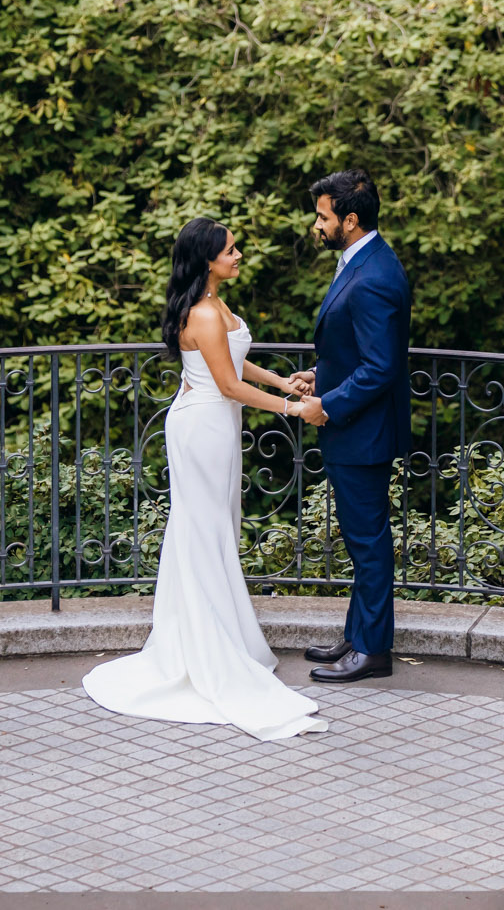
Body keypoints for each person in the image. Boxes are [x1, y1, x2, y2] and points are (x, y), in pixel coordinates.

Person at [81, 217, 328, 739]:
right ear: (207, 261)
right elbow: (227, 385)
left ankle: (223, 635)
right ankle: (200, 646)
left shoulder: (217, 306)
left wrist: (282, 378)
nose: (239, 255)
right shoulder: (203, 313)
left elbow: (237, 363)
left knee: (215, 527)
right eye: (231, 250)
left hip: (214, 423)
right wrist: (294, 408)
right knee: (200, 528)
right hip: (204, 426)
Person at [287, 169, 413, 684]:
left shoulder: (377, 275)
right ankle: (356, 635)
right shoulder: (361, 262)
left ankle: (372, 650)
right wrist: (321, 374)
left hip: (362, 432)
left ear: (350, 219)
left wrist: (329, 404)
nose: (316, 224)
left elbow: (382, 368)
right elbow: (359, 351)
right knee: (361, 539)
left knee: (368, 542)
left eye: (323, 216)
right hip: (355, 427)